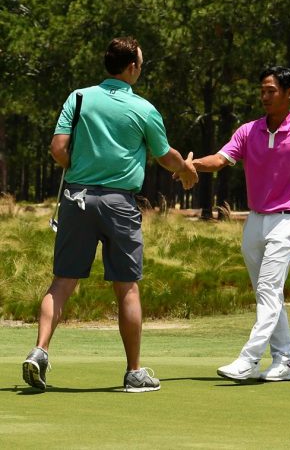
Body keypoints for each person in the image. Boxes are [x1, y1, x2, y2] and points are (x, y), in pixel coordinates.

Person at [22, 36, 198, 393]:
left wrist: (83, 168)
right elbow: (164, 155)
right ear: (131, 66)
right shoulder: (144, 110)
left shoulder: (79, 97)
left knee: (62, 282)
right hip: (120, 203)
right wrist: (186, 171)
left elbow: (58, 148)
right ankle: (134, 372)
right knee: (127, 288)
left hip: (77, 199)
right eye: (141, 64)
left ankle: (39, 351)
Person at [191, 66, 290, 382]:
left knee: (267, 289)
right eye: (262, 90)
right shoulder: (248, 132)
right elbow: (220, 160)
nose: (264, 96)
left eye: (271, 91)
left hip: (288, 223)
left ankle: (248, 359)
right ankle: (285, 361)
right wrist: (189, 165)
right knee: (268, 295)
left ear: (289, 94)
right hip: (254, 222)